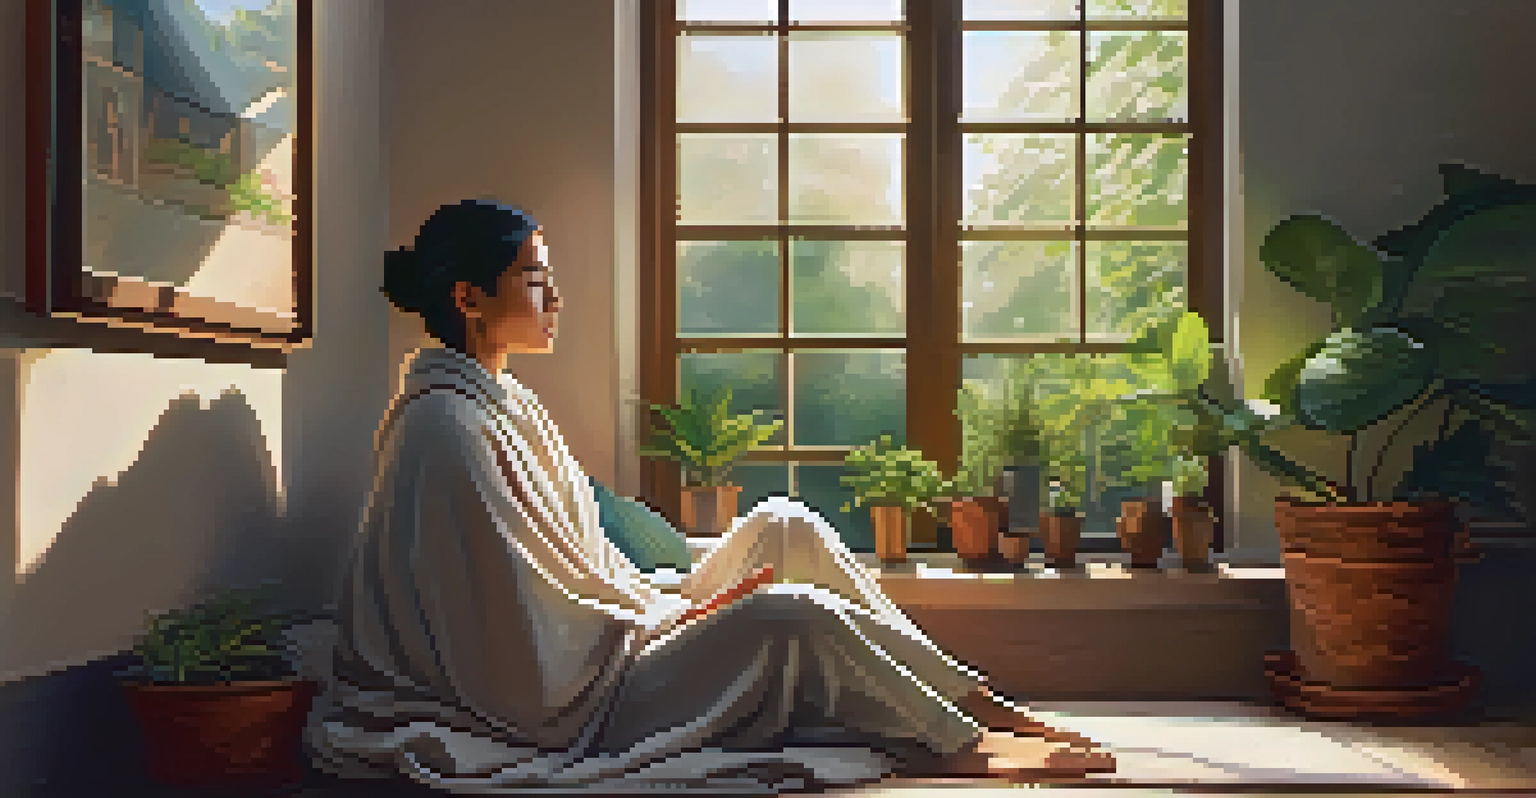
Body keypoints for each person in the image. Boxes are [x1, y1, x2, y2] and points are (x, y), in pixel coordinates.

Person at [305, 200, 1114, 792]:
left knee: (786, 524)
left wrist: (664, 605)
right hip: (579, 700)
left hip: (606, 638)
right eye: (536, 281)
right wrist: (670, 618)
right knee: (787, 613)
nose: (556, 300)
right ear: (469, 298)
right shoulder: (441, 429)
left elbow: (580, 574)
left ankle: (977, 702)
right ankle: (959, 744)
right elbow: (511, 649)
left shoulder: (505, 401)